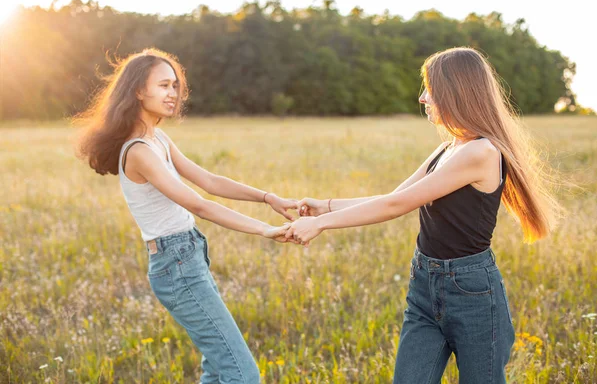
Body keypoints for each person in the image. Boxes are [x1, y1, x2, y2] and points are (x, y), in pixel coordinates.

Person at [287, 47, 560, 383]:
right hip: (424, 285)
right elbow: (395, 196)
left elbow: (395, 207)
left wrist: (320, 223)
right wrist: (325, 205)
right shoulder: (449, 148)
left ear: (456, 91)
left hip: (472, 291)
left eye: (430, 89)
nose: (422, 98)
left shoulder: (480, 151)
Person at [74, 48, 298, 383]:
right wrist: (265, 230)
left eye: (175, 86)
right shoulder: (138, 151)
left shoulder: (157, 137)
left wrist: (268, 197)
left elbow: (209, 181)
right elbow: (199, 204)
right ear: (138, 90)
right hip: (175, 265)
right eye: (163, 85)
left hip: (188, 256)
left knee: (218, 366)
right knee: (243, 374)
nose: (173, 94)